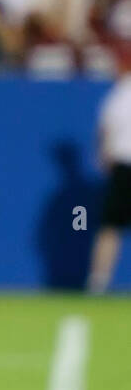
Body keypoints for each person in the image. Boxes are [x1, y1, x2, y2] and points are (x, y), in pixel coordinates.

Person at [86, 66, 131, 294]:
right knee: (111, 226)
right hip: (125, 165)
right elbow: (107, 127)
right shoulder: (123, 91)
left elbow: (106, 128)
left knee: (110, 227)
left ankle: (98, 283)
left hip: (123, 166)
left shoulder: (122, 91)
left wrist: (104, 154)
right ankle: (99, 282)